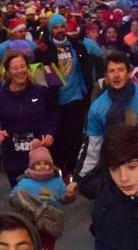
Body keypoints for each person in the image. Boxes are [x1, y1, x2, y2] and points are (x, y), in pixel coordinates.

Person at [77, 50, 138, 178]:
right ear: (106, 76)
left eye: (120, 70)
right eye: (112, 71)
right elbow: (92, 146)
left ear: (129, 72)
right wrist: (80, 177)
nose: (116, 75)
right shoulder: (97, 107)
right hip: (113, 165)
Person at [37, 15, 101, 180]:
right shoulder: (43, 49)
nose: (60, 30)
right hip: (55, 99)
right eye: (56, 27)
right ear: (51, 30)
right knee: (58, 137)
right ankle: (57, 169)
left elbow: (88, 68)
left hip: (76, 97)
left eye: (62, 26)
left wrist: (87, 89)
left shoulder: (78, 46)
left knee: (74, 136)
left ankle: (71, 170)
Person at [0, 51, 59, 188]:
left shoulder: (41, 92)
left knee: (42, 195)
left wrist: (50, 132)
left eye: (23, 66)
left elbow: (53, 114)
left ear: (28, 67)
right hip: (13, 156)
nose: (20, 71)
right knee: (21, 196)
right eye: (15, 68)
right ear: (7, 71)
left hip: (39, 156)